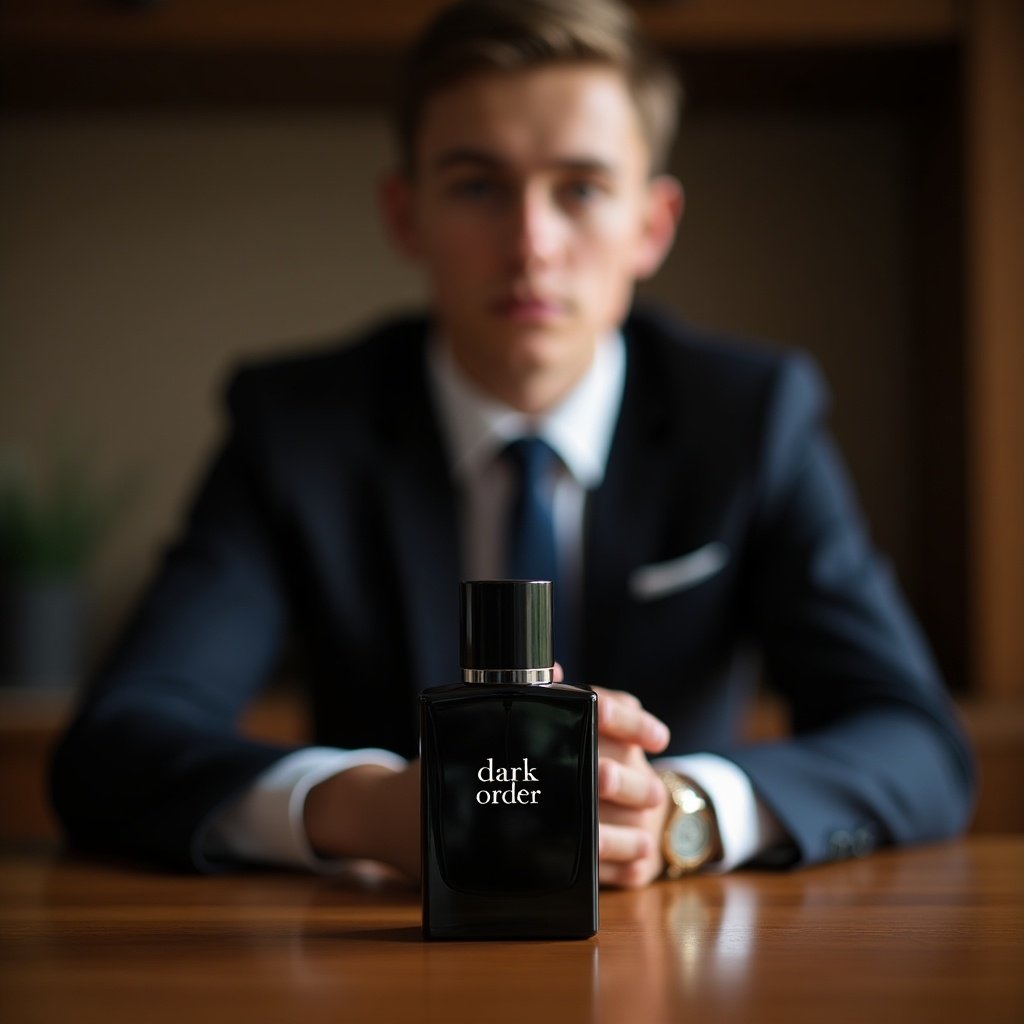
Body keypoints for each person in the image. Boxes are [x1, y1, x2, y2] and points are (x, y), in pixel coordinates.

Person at [51, 0, 974, 888]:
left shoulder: (750, 415)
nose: (531, 242)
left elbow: (916, 743)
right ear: (406, 214)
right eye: (478, 185)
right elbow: (119, 744)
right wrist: (364, 810)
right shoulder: (297, 427)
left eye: (580, 188)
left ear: (651, 225)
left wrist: (683, 814)